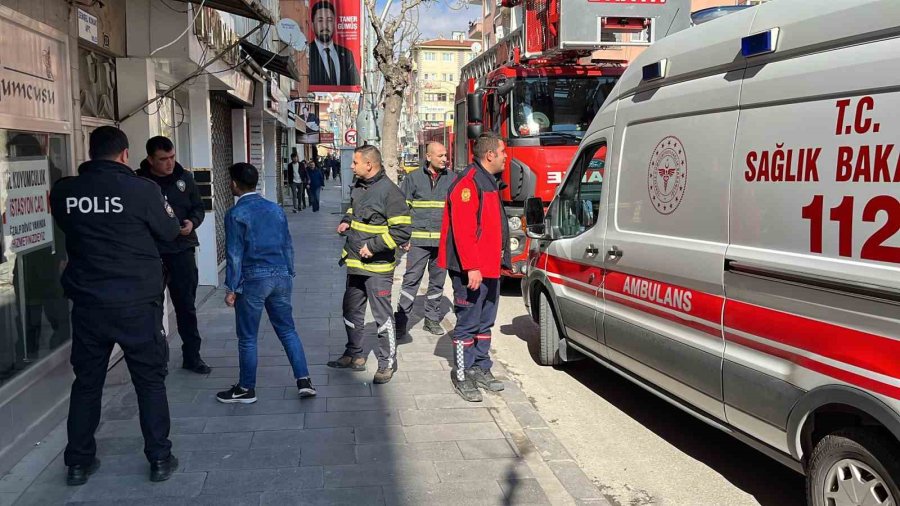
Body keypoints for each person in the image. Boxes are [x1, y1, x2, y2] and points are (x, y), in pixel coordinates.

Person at [50, 126, 181, 485]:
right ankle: (159, 459)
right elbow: (170, 231)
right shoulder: (142, 190)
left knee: (87, 383)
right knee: (150, 383)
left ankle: (77, 463)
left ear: (91, 153)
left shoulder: (66, 191)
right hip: (137, 303)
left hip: (90, 304)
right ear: (125, 154)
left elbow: (66, 226)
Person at [218, 163, 317, 404]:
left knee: (248, 337)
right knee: (287, 329)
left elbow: (234, 253)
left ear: (234, 184)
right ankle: (304, 380)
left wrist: (232, 287)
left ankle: (246, 388)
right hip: (281, 274)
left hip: (253, 278)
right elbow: (287, 244)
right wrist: (289, 271)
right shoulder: (275, 209)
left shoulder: (235, 214)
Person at [437, 132, 511, 402]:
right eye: (502, 152)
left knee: (485, 322)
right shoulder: (468, 183)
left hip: (489, 267)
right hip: (472, 270)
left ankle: (481, 368)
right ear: (490, 155)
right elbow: (464, 231)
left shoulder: (488, 180)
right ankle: (462, 374)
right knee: (467, 324)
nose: (505, 157)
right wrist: (472, 267)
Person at [328, 146, 410, 384]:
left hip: (378, 269)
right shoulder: (360, 185)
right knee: (350, 311)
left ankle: (387, 363)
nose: (351, 167)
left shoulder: (390, 193)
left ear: (369, 165)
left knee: (382, 317)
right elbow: (355, 210)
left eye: (355, 163)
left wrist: (373, 246)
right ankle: (354, 354)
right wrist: (346, 221)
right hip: (355, 264)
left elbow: (402, 231)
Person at [136, 136, 210, 375]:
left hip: (181, 249)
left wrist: (193, 222)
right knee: (151, 308)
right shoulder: (138, 182)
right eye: (162, 159)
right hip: (151, 253)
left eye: (172, 157)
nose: (169, 163)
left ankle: (192, 356)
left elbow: (198, 207)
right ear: (150, 159)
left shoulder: (184, 178)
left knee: (186, 306)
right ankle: (156, 359)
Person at [394, 142, 455, 338]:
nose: (444, 159)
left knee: (437, 284)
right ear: (428, 157)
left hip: (442, 243)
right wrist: (404, 237)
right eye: (440, 156)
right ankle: (401, 322)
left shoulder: (453, 178)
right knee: (411, 281)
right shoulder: (413, 179)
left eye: (445, 155)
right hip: (418, 243)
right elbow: (402, 211)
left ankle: (431, 320)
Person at [309, 0, 360, 87]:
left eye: (329, 20)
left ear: (335, 24)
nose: (325, 26)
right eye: (320, 20)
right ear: (312, 25)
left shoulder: (347, 55)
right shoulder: (306, 52)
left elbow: (355, 85)